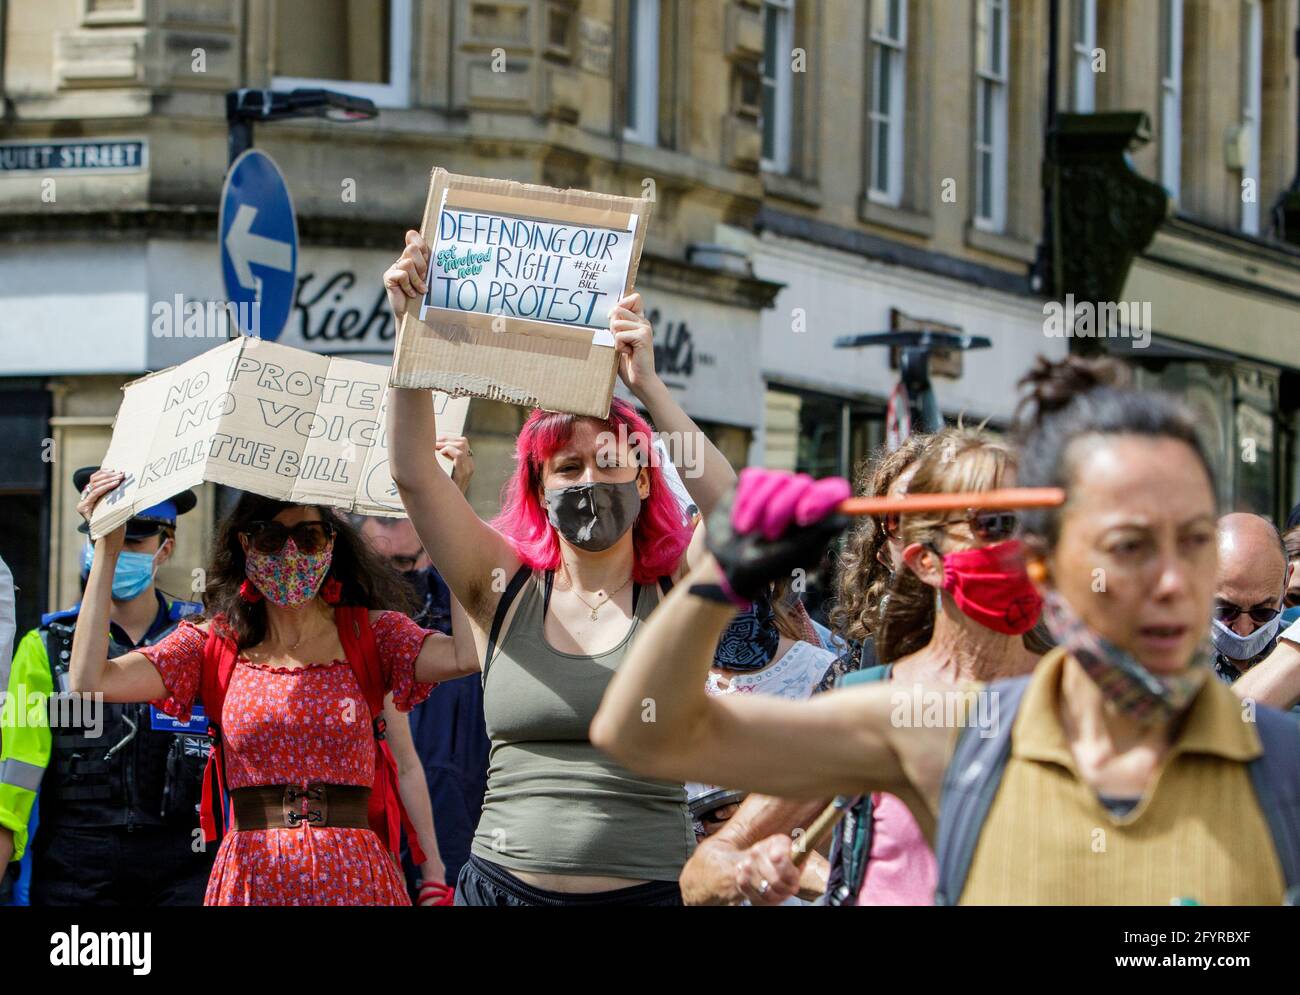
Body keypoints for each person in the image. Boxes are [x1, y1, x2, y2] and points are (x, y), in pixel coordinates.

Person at [593, 356, 1299, 905]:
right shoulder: (951, 730)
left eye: (1196, 538)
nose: (1172, 579)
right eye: (1130, 543)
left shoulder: (1281, 760)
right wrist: (724, 574)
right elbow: (645, 733)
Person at [383, 228, 737, 905]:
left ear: (644, 480)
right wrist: (411, 335)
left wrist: (650, 388)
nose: (587, 480)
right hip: (501, 889)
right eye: (566, 467)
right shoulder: (503, 587)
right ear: (539, 492)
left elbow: (736, 518)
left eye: (609, 460)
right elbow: (414, 474)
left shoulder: (677, 589)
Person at [70, 472, 479, 905]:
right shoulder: (211, 645)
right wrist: (107, 550)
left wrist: (445, 504)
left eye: (309, 536)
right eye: (268, 536)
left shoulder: (373, 635)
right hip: (252, 877)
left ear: (333, 544)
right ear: (244, 545)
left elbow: (465, 656)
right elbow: (90, 680)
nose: (290, 552)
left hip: (356, 877)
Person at [680, 434, 930, 905]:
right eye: (907, 520)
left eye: (955, 513)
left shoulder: (1047, 678)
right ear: (884, 553)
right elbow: (712, 867)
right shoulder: (862, 684)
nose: (934, 534)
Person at [0, 469, 213, 906]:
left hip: (185, 868)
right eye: (103, 539)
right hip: (76, 871)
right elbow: (12, 785)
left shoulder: (200, 643)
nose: (117, 552)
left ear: (165, 547)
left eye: (133, 541)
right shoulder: (45, 647)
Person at [359, 434, 489, 905]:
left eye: (404, 563)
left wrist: (451, 502)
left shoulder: (456, 605)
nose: (391, 576)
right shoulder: (338, 621)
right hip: (368, 842)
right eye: (379, 562)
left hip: (458, 836)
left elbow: (468, 649)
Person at [1211, 513, 1290, 683]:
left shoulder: (1294, 659)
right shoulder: (1163, 662)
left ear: (1286, 581)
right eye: (1225, 611)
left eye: (1262, 612)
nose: (1243, 630)